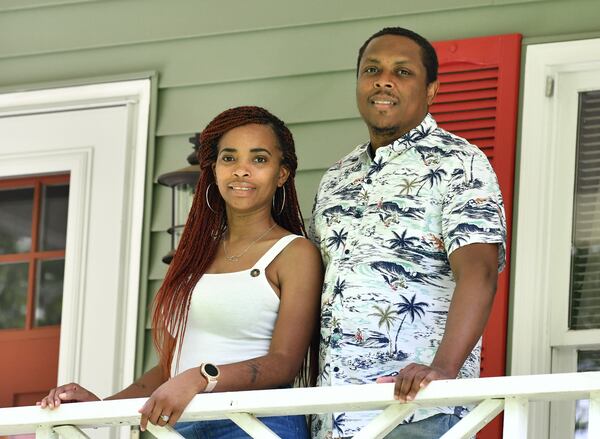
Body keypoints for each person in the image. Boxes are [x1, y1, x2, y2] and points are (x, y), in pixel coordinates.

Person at [38, 106, 323, 439]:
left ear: (282, 174)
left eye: (259, 159)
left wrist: (203, 377)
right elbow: (168, 369)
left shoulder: (294, 253)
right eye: (229, 159)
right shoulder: (193, 258)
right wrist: (100, 407)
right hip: (183, 428)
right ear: (214, 170)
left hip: (257, 425)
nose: (242, 171)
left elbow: (284, 362)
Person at [309, 27, 506, 439]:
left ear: (431, 90)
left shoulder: (460, 163)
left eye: (402, 72)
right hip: (334, 415)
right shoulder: (335, 179)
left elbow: (480, 272)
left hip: (418, 413)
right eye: (372, 70)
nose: (384, 80)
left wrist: (443, 370)